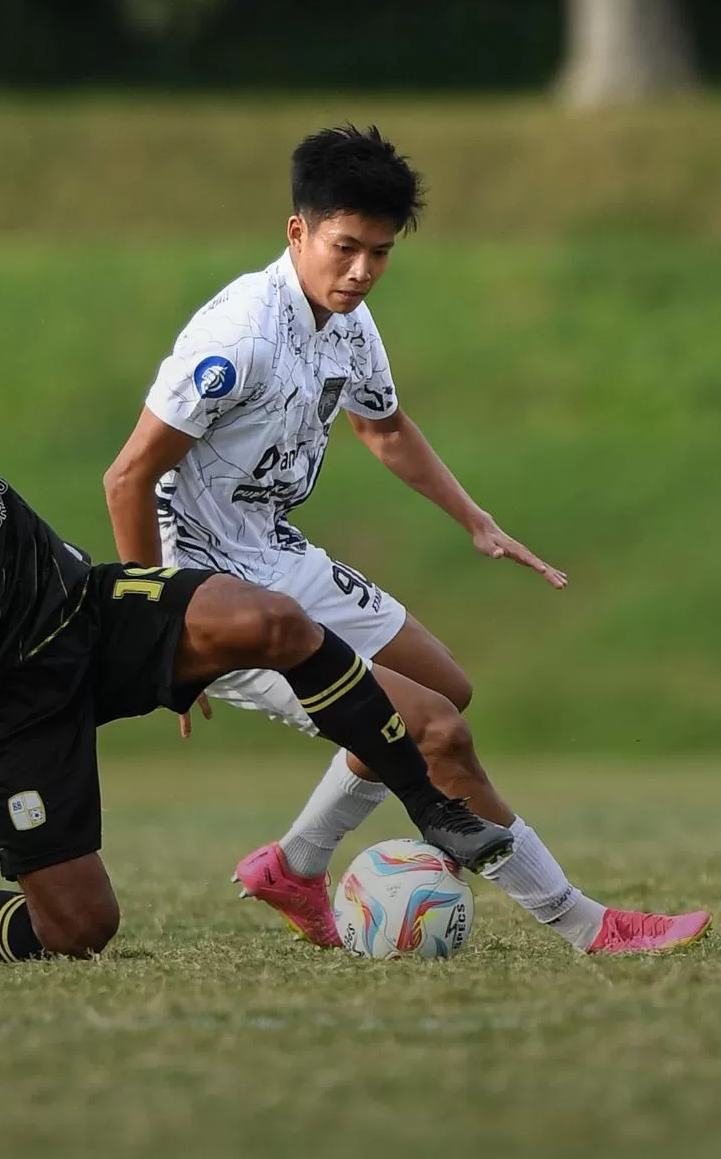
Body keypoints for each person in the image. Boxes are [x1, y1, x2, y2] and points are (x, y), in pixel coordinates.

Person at [0, 154, 512, 965]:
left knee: (273, 620)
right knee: (79, 928)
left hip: (80, 605)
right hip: (3, 703)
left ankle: (428, 804)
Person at [103, 125, 711, 957]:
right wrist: (159, 628)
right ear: (298, 231)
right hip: (210, 588)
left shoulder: (348, 323)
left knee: (444, 688)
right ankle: (587, 925)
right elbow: (128, 477)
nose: (361, 271)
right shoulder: (237, 339)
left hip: (274, 550)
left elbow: (383, 428)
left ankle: (296, 864)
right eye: (345, 248)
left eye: (379, 253)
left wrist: (477, 522)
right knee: (433, 732)